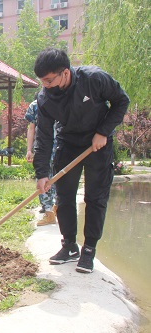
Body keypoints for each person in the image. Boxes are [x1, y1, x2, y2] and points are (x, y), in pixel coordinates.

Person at [33, 48, 129, 273]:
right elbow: (44, 136)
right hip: (68, 143)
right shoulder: (45, 98)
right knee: (64, 197)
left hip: (98, 143)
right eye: (42, 81)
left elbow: (121, 101)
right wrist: (41, 174)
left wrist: (104, 132)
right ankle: (69, 246)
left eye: (48, 80)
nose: (45, 85)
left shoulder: (94, 79)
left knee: (95, 197)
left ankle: (89, 250)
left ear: (64, 73)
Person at [25, 95, 57, 226]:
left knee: (60, 177)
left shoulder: (63, 99)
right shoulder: (35, 105)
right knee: (43, 177)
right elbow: (31, 128)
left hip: (62, 146)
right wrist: (29, 149)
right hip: (43, 147)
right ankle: (48, 212)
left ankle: (57, 207)